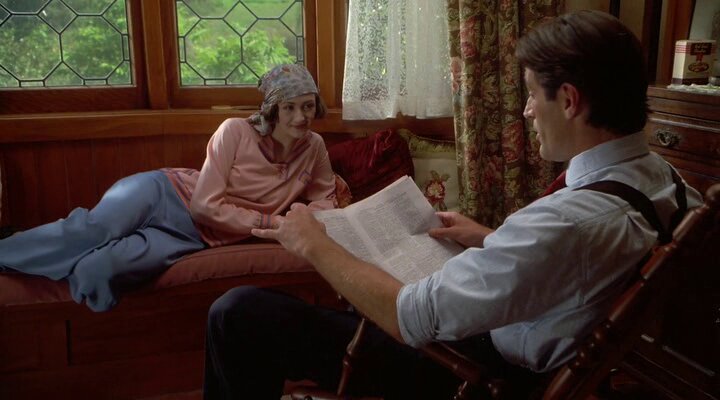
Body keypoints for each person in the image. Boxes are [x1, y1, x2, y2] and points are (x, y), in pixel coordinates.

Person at [203, 10, 704, 400]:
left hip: (468, 366)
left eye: (533, 94)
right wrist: (488, 238)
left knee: (238, 314)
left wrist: (315, 245)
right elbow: (573, 258)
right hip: (510, 329)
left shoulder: (567, 220)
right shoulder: (667, 181)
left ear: (570, 101)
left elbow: (409, 315)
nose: (527, 110)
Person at [0, 64, 337, 312]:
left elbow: (326, 199)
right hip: (162, 193)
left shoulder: (314, 147)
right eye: (289, 107)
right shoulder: (234, 130)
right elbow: (203, 206)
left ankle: (38, 252)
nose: (300, 117)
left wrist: (307, 219)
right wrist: (272, 223)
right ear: (273, 110)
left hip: (191, 236)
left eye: (308, 106)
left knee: (97, 272)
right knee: (92, 231)